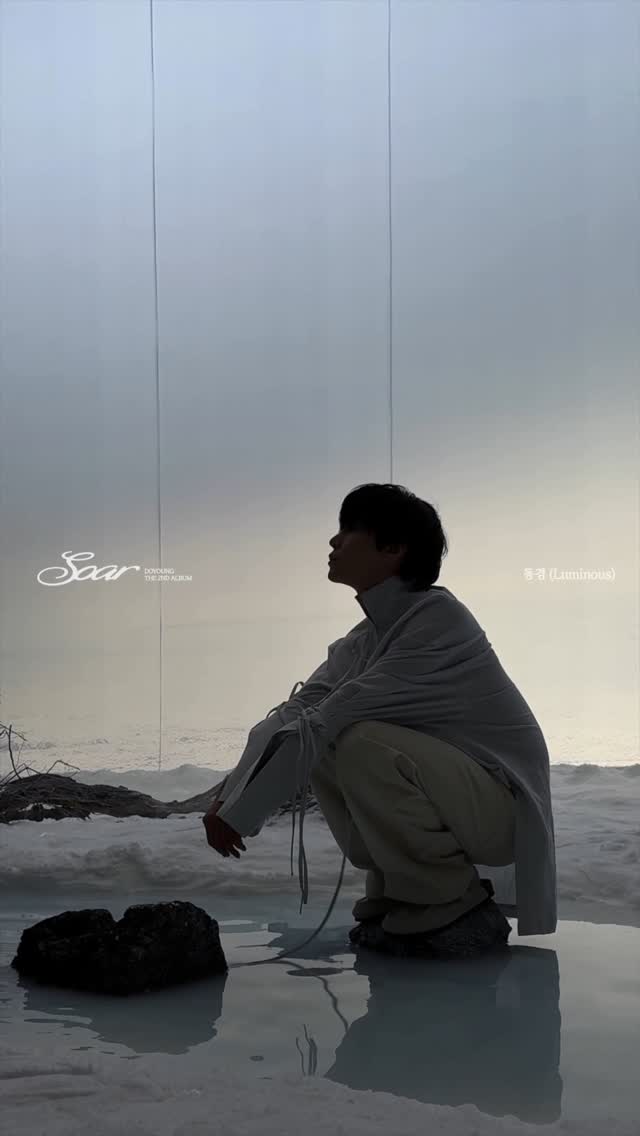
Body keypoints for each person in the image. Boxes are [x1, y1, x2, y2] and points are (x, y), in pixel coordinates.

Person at [203, 483, 557, 953]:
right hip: (460, 800)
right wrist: (227, 801)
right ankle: (397, 883)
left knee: (358, 739)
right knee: (319, 738)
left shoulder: (440, 621)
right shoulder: (364, 639)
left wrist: (240, 816)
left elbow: (332, 715)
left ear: (394, 548)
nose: (334, 541)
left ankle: (442, 892)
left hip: (503, 813)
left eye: (349, 530)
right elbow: (294, 714)